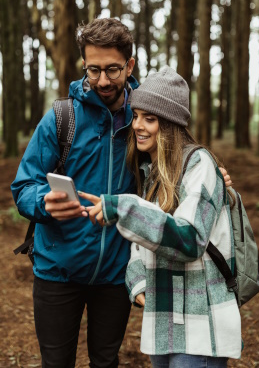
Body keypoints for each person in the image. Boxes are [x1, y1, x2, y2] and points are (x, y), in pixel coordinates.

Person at [11, 18, 231, 368]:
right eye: (93, 69)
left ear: (129, 65)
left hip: (114, 271)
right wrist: (43, 203)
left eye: (112, 70)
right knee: (55, 361)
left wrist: (211, 176)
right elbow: (23, 187)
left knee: (105, 360)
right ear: (83, 63)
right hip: (58, 270)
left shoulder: (143, 117)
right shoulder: (61, 118)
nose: (102, 80)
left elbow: (172, 166)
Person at [79, 67, 242, 368]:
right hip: (163, 320)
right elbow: (142, 243)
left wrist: (125, 208)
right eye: (137, 115)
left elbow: (188, 239)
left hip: (199, 327)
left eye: (149, 119)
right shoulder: (151, 175)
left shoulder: (200, 165)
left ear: (170, 124)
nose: (138, 125)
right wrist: (138, 283)